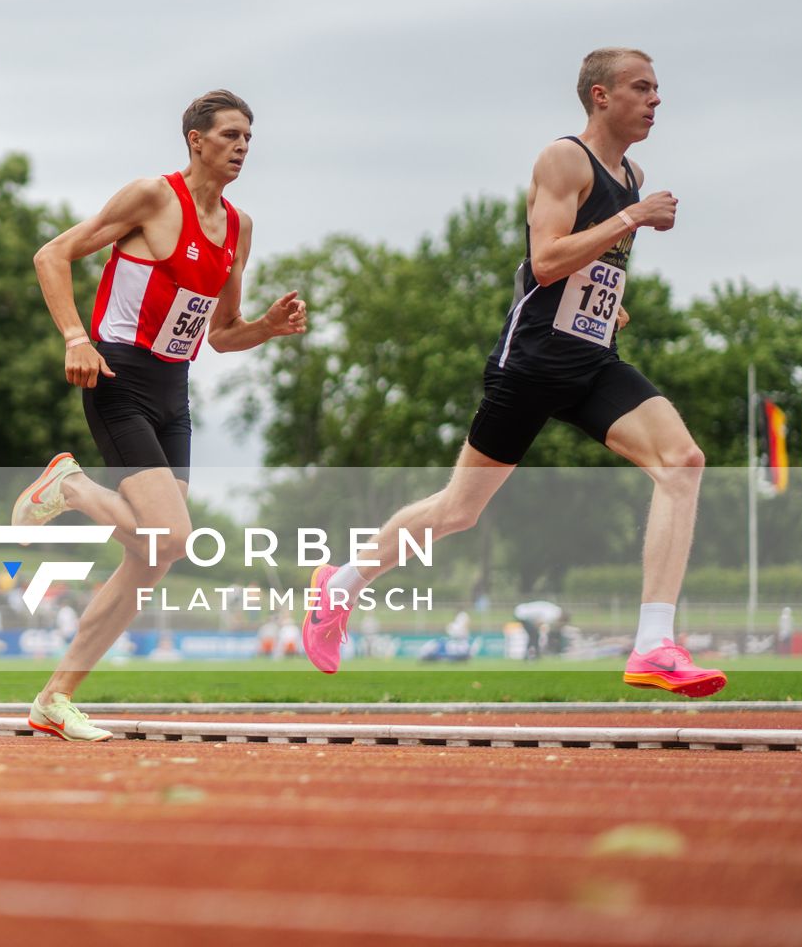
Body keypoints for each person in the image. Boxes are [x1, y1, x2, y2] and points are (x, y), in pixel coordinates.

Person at [302, 48, 725, 697]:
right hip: (530, 363)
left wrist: (609, 307)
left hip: (591, 362)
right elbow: (547, 259)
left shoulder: (632, 173)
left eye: (658, 88)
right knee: (458, 511)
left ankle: (653, 645)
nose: (656, 100)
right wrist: (631, 218)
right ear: (600, 96)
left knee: (682, 461)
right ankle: (340, 585)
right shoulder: (564, 160)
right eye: (641, 88)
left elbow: (583, 275)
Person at [10, 90, 306, 741]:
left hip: (175, 391)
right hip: (119, 375)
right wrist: (74, 337)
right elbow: (50, 256)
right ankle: (73, 486)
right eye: (230, 135)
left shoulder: (238, 227)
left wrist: (267, 328)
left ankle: (53, 699)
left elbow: (223, 333)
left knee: (152, 559)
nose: (242, 147)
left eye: (249, 138)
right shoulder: (151, 197)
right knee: (170, 539)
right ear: (195, 140)